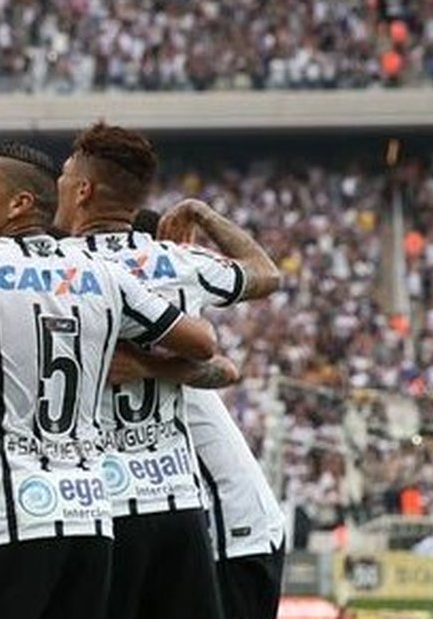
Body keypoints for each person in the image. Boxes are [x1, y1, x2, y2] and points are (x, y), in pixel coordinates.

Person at [0, 141, 217, 619]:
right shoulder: (102, 275)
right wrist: (146, 363)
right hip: (89, 522)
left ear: (19, 204)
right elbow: (203, 343)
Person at [53, 122, 280, 619]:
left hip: (98, 506)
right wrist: (202, 212)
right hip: (178, 504)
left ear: (85, 191)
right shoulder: (175, 260)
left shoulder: (52, 268)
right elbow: (267, 274)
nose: (60, 188)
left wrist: (138, 365)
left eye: (66, 179)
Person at [135, 204, 288, 619]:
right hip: (209, 532)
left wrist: (203, 215)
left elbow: (225, 368)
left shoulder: (160, 338)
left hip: (235, 534)